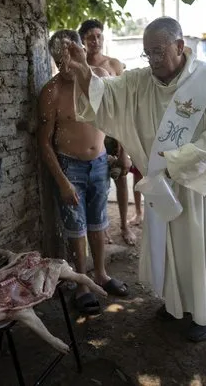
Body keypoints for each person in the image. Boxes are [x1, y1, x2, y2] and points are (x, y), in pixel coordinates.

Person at [64, 16, 206, 341]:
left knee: (202, 250)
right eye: (148, 53)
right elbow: (107, 95)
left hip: (198, 186)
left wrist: (177, 162)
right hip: (163, 185)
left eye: (159, 52)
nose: (153, 60)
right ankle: (176, 305)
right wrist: (83, 73)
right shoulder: (141, 81)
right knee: (169, 248)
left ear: (180, 46)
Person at [38, 29, 129, 315]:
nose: (66, 65)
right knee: (76, 228)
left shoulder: (99, 78)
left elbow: (117, 116)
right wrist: (62, 181)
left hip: (100, 162)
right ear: (53, 60)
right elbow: (43, 142)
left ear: (80, 51)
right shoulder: (51, 91)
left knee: (99, 222)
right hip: (69, 166)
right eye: (59, 59)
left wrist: (123, 152)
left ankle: (100, 273)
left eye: (71, 56)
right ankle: (82, 283)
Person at [78, 19, 136, 245]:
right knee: (98, 182)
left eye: (99, 36)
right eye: (90, 37)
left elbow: (124, 104)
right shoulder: (78, 66)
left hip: (114, 131)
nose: (95, 40)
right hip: (91, 130)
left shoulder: (113, 65)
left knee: (121, 178)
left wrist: (124, 146)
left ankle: (124, 226)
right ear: (82, 40)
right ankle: (101, 228)